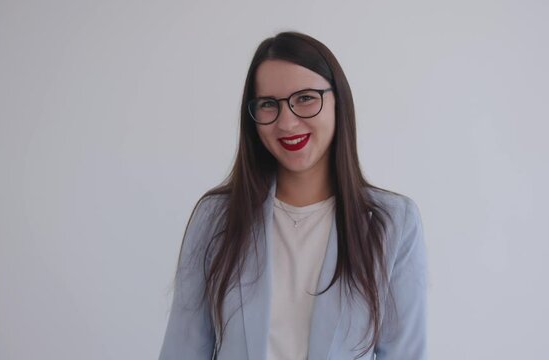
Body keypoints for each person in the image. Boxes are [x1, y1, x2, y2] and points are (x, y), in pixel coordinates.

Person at [159, 31, 427, 360]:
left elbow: (404, 354)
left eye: (305, 98)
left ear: (337, 100)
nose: (287, 122)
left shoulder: (393, 223)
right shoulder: (217, 218)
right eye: (268, 104)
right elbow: (182, 351)